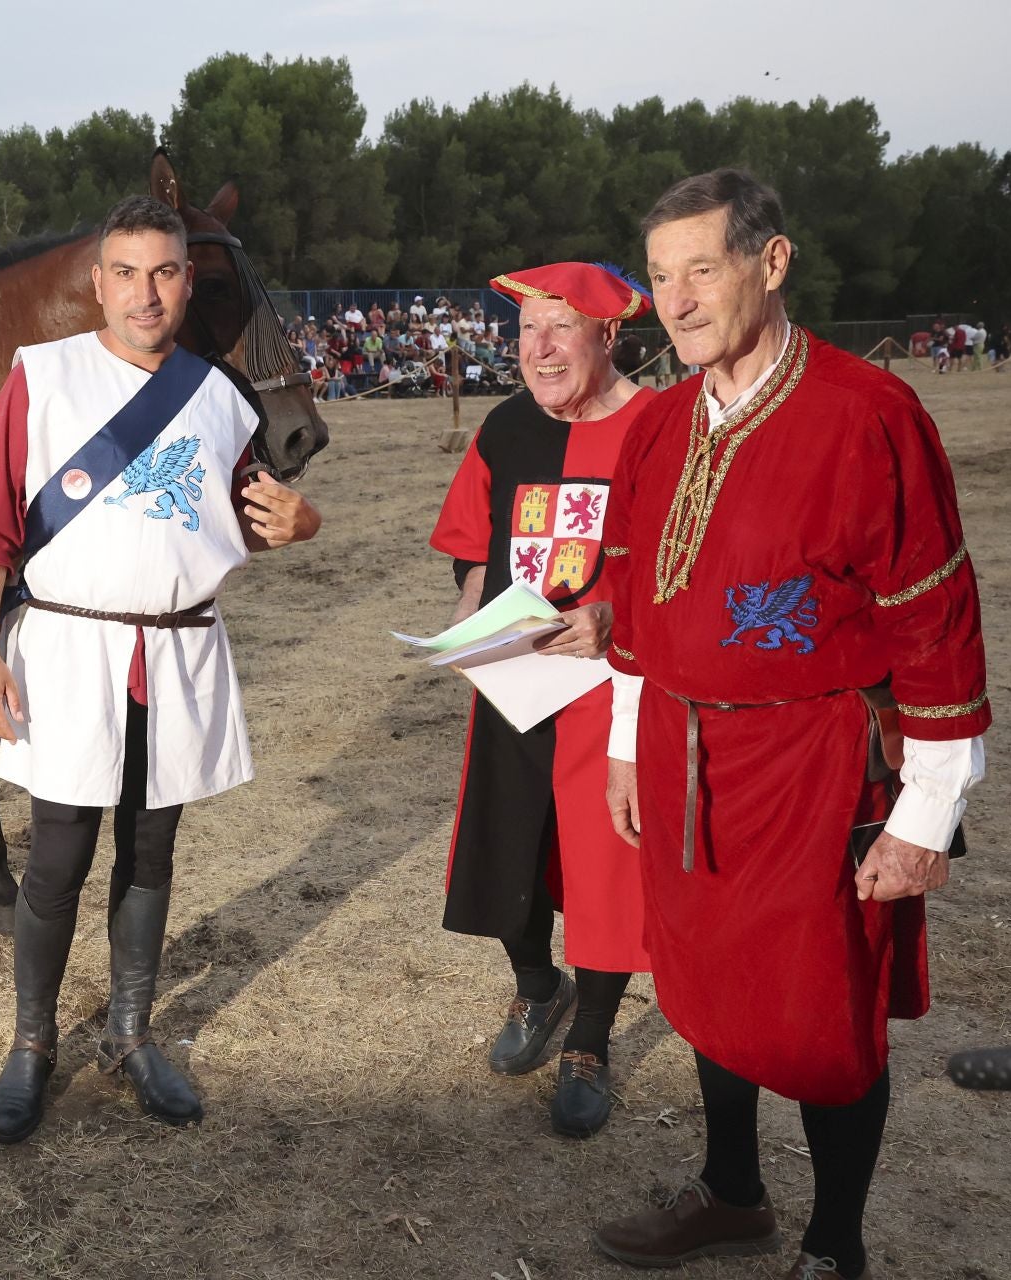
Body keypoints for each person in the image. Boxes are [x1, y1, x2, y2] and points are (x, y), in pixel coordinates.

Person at [591, 169, 989, 1280]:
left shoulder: (869, 413)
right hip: (680, 749)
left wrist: (925, 813)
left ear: (772, 263)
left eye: (701, 270)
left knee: (821, 1010)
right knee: (710, 982)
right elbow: (634, 601)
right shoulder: (658, 423)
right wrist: (627, 743)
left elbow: (935, 617)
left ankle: (835, 1243)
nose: (676, 300)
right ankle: (731, 1191)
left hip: (817, 763)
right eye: (661, 277)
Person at [0, 194, 322, 1145]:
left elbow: (243, 515)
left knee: (151, 850)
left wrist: (302, 523)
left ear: (184, 280)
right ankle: (32, 1046)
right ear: (98, 283)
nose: (145, 292)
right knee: (60, 855)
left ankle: (128, 1033)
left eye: (164, 272)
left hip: (177, 651)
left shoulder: (214, 394)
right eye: (126, 273)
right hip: (72, 651)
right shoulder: (41, 378)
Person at [430, 263, 658, 1139]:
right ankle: (537, 988)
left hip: (615, 688)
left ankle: (591, 1041)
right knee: (502, 852)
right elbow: (476, 553)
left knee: (605, 870)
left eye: (563, 328)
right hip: (517, 679)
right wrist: (462, 629)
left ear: (607, 336)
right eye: (528, 330)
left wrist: (612, 614)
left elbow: (683, 570)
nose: (542, 347)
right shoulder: (505, 427)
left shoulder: (659, 428)